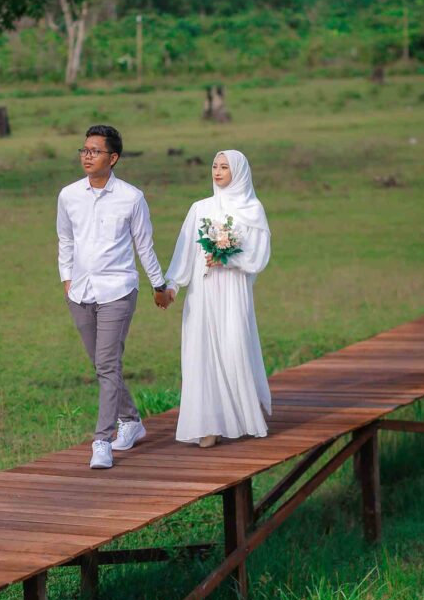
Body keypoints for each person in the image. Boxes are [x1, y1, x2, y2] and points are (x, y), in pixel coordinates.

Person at [57, 124, 171, 469]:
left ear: (113, 158)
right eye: (84, 150)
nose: (87, 156)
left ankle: (102, 441)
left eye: (95, 151)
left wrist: (159, 286)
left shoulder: (131, 197)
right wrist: (66, 278)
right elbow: (66, 239)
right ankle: (132, 420)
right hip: (80, 291)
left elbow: (144, 245)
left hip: (118, 291)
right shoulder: (69, 195)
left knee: (107, 364)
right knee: (101, 364)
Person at [163, 149, 271, 445]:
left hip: (234, 291)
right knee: (202, 351)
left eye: (224, 167)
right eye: (214, 166)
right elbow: (186, 251)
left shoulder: (252, 209)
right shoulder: (200, 208)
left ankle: (242, 414)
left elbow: (259, 254)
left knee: (234, 345)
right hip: (203, 290)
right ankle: (208, 425)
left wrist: (228, 259)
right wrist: (173, 286)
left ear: (239, 172)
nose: (218, 171)